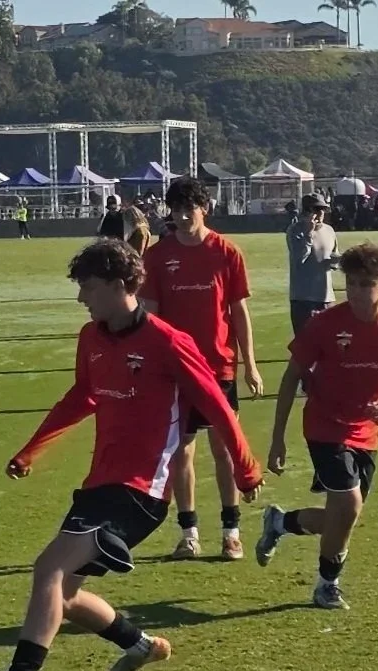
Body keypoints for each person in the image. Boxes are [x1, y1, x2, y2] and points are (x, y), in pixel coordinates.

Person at [0, 239, 262, 671]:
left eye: (87, 288)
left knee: (48, 568)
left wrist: (244, 469)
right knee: (64, 597)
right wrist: (32, 449)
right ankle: (140, 645)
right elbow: (82, 397)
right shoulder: (91, 338)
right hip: (99, 485)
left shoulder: (170, 341)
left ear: (120, 286)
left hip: (143, 491)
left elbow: (218, 406)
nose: (81, 298)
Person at [255, 243, 378, 610]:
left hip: (368, 431)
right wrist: (277, 440)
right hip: (325, 425)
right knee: (348, 504)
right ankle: (326, 585)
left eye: (365, 284)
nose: (356, 291)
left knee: (342, 516)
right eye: (350, 283)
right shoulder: (325, 324)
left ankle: (281, 523)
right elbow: (290, 379)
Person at [142, 176, 263, 560]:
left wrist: (251, 365)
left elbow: (239, 311)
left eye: (188, 209)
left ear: (205, 208)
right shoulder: (158, 257)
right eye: (175, 210)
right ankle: (189, 532)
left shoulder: (226, 252)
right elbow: (151, 315)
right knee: (181, 453)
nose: (181, 216)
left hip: (219, 368)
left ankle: (231, 531)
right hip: (175, 371)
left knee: (225, 450)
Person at [286, 193, 338, 334]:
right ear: (307, 211)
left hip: (327, 297)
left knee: (329, 345)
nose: (321, 213)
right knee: (305, 345)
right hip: (304, 299)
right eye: (316, 209)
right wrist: (309, 234)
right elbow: (299, 258)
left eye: (323, 209)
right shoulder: (295, 230)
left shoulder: (329, 230)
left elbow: (333, 258)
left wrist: (339, 260)